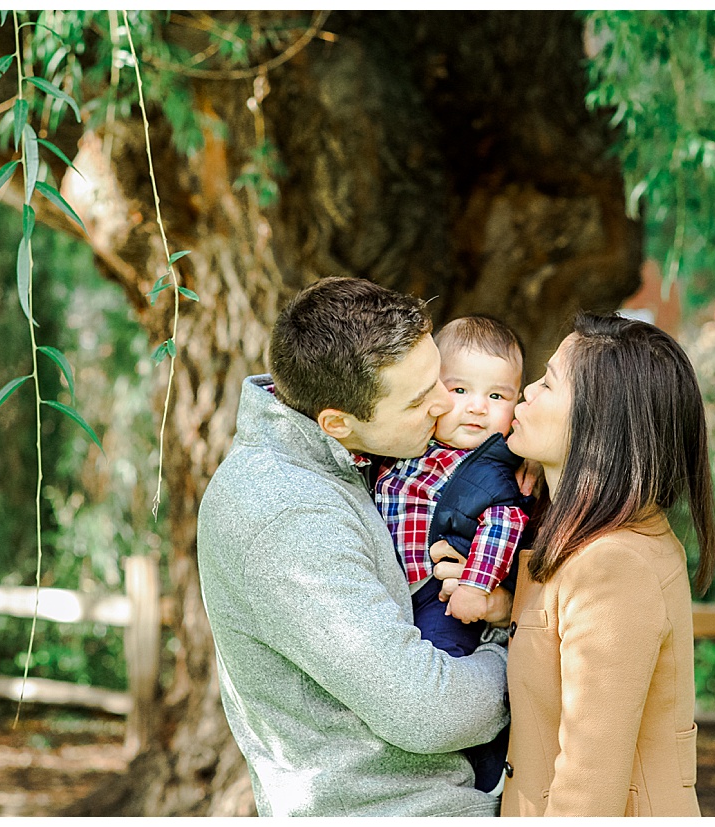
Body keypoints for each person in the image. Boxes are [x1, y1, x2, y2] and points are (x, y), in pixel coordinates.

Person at [196, 277, 513, 817]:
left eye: (439, 378)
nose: (445, 405)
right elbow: (423, 707)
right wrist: (521, 650)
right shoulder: (287, 512)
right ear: (336, 423)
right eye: (420, 400)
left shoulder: (350, 455)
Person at [436, 313, 715, 817]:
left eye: (548, 383)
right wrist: (505, 609)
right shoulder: (581, 531)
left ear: (598, 420)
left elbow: (591, 782)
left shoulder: (616, 562)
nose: (525, 394)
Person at [373, 315, 533, 794]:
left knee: (442, 676)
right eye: (459, 390)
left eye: (497, 397)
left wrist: (475, 585)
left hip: (444, 600)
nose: (477, 409)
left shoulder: (495, 470)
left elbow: (504, 522)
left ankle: (479, 779)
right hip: (396, 593)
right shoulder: (409, 447)